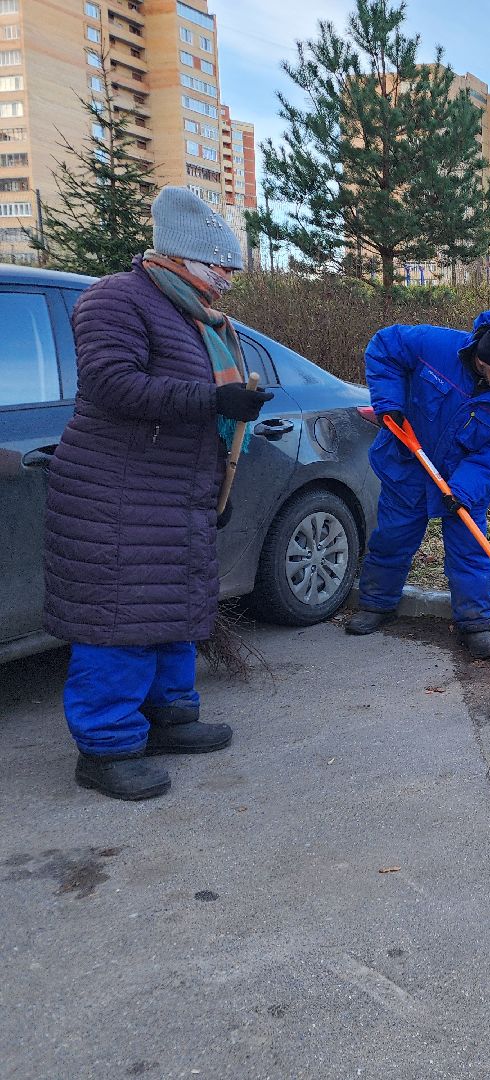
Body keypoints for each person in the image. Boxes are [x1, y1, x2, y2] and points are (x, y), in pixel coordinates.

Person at [44, 186, 273, 801]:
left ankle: (171, 716)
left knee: (174, 608)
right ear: (184, 256)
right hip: (115, 493)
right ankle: (107, 747)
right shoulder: (115, 299)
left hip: (176, 490)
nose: (228, 277)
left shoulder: (199, 315)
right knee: (121, 619)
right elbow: (112, 383)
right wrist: (213, 401)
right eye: (222, 265)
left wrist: (215, 486)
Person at [345, 310, 490, 658]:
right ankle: (375, 605)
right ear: (482, 359)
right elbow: (384, 346)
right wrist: (390, 403)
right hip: (409, 465)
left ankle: (475, 624)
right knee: (393, 537)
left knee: (471, 551)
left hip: (464, 481)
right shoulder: (435, 346)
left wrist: (462, 490)